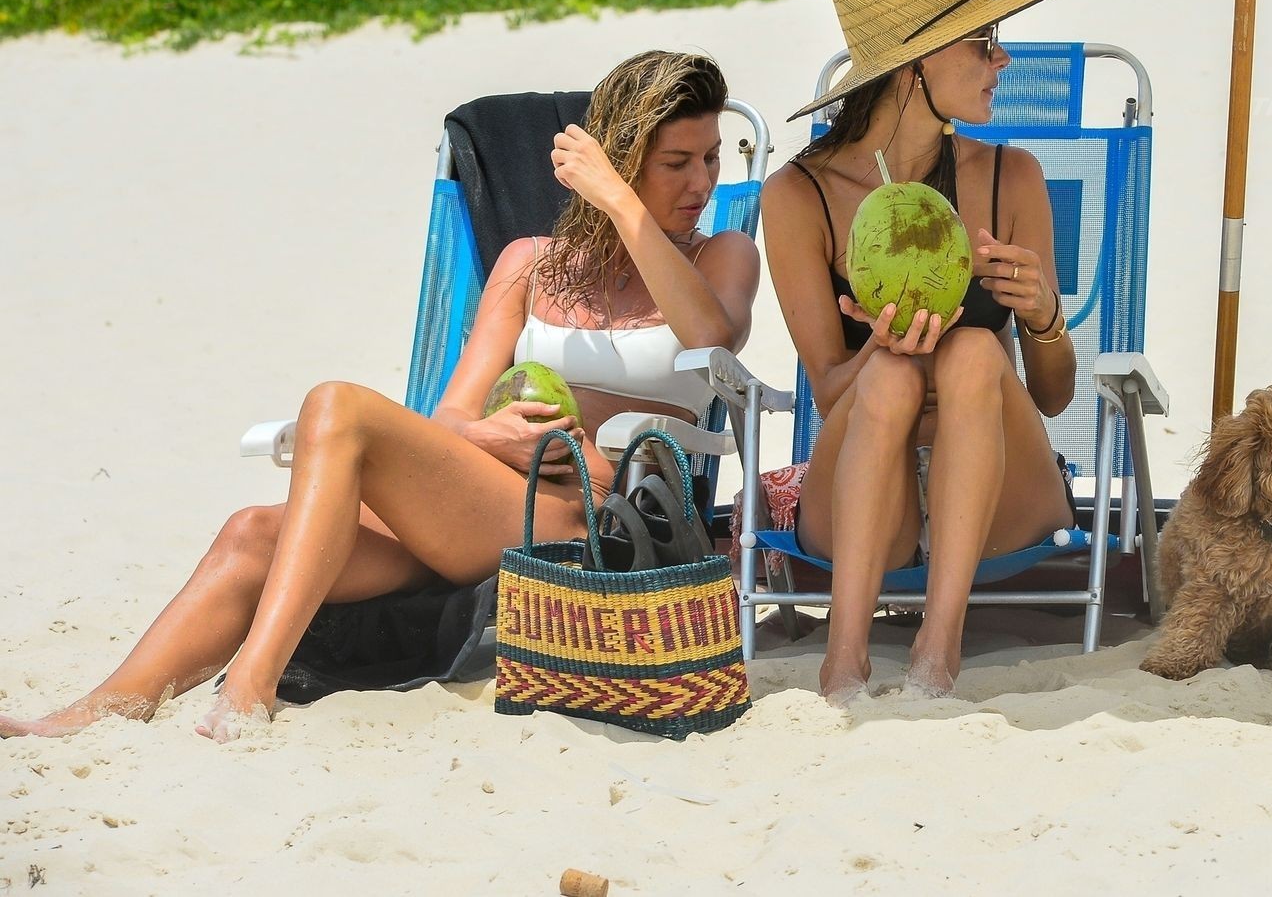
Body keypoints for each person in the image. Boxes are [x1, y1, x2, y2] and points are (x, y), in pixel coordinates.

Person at [0, 51, 758, 742]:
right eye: (677, 163)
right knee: (250, 532)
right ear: (624, 159)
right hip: (477, 497)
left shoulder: (722, 256)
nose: (702, 183)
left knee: (340, 404)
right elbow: (451, 415)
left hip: (586, 514)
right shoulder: (531, 264)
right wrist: (487, 436)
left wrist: (622, 204)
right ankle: (96, 711)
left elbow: (713, 333)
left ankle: (252, 682)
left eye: (711, 158)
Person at [762, 0, 1079, 700]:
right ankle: (844, 660)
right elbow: (830, 389)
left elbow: (1052, 396)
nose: (1002, 60)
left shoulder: (1012, 177)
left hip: (1000, 495)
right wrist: (880, 346)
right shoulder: (799, 195)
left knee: (973, 351)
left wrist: (1043, 316)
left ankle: (938, 652)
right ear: (915, 63)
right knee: (894, 374)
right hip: (873, 499)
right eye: (983, 41)